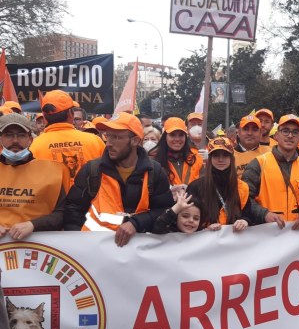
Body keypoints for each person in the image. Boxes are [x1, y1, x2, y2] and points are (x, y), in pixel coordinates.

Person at [63, 112, 174, 247]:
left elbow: (164, 210)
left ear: (135, 141)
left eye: (116, 137)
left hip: (138, 253)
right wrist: (80, 246)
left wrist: (136, 223)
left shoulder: (155, 172)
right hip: (95, 253)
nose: (108, 143)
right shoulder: (91, 170)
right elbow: (72, 212)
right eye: (108, 136)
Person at [0, 113, 70, 239]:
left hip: (38, 250)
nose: (15, 140)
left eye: (21, 135)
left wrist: (34, 225)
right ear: (0, 139)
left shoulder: (52, 171)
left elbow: (64, 213)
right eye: (8, 135)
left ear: (30, 139)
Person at [243, 114, 299, 230]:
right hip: (266, 232)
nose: (290, 136)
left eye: (295, 132)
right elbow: (244, 199)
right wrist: (264, 214)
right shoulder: (258, 164)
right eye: (285, 131)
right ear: (276, 135)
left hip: (296, 233)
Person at [29, 90, 105, 186]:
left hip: (53, 200)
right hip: (89, 200)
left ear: (44, 117)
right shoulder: (95, 141)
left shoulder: (34, 146)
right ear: (70, 114)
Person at [186, 136, 253, 231]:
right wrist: (205, 228)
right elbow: (187, 220)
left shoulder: (242, 187)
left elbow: (248, 215)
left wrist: (244, 221)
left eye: (225, 155)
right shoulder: (195, 186)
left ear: (231, 158)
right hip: (205, 242)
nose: (220, 159)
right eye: (216, 155)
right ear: (210, 159)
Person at [151, 117, 203, 191]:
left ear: (186, 137)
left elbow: (205, 187)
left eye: (181, 135)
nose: (177, 139)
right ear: (165, 137)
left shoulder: (197, 158)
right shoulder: (153, 161)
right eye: (172, 135)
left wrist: (190, 190)